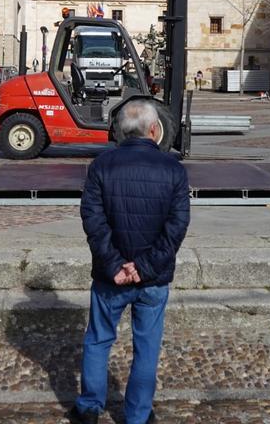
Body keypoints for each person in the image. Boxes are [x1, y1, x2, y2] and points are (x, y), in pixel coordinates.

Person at [71, 100, 190, 424]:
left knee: (98, 339)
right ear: (154, 130)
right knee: (147, 347)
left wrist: (114, 265)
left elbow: (93, 220)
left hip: (111, 278)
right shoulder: (173, 169)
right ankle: (137, 416)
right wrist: (145, 268)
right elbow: (176, 227)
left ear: (121, 132)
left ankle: (89, 408)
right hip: (153, 280)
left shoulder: (101, 166)